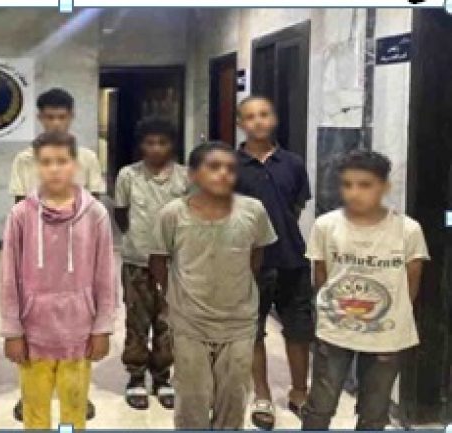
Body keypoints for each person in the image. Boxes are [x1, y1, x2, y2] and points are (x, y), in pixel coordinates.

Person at [150, 142, 277, 429]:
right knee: (192, 397)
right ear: (193, 174)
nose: (223, 174)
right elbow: (158, 260)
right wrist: (173, 296)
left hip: (238, 321)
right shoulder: (173, 214)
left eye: (230, 168)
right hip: (190, 321)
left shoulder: (253, 211)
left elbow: (256, 256)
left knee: (233, 396)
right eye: (214, 167)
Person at [301, 150, 428, 430]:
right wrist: (331, 310)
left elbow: (412, 280)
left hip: (387, 333)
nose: (355, 193)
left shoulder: (408, 230)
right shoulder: (326, 226)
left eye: (365, 185)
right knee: (320, 405)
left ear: (384, 187)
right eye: (348, 185)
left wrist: (388, 315)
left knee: (375, 411)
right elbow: (321, 275)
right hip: (335, 328)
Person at [0, 131, 116, 430]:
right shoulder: (20, 215)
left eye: (62, 161)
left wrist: (102, 327)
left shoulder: (96, 215)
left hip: (79, 334)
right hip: (33, 333)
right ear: (36, 167)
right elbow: (9, 277)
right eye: (46, 162)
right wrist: (12, 330)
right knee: (35, 411)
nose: (54, 169)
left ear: (75, 165)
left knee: (72, 413)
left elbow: (106, 276)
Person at [234, 96, 313, 429]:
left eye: (264, 114)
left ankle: (299, 392)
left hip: (292, 258)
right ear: (241, 124)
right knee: (253, 330)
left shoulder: (293, 163)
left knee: (299, 329)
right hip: (249, 262)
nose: (258, 121)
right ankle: (262, 393)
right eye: (250, 116)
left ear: (274, 119)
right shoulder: (230, 165)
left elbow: (296, 206)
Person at [114, 118, 188, 410]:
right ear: (141, 145)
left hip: (174, 264)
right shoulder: (128, 176)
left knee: (167, 321)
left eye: (162, 143)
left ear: (172, 145)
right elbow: (121, 215)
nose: (156, 148)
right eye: (150, 143)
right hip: (137, 261)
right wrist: (138, 241)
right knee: (137, 320)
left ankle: (162, 377)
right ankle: (135, 377)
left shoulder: (185, 177)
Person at [9, 88, 106, 202]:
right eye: (50, 117)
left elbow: (95, 204)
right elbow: (20, 204)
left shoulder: (88, 158)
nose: (56, 123)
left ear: (71, 116)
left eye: (62, 117)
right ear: (40, 117)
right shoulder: (24, 159)